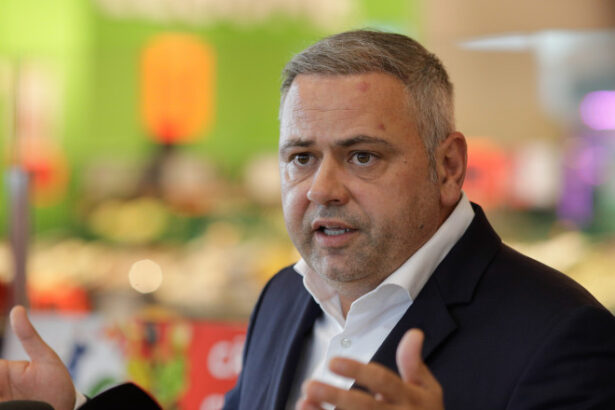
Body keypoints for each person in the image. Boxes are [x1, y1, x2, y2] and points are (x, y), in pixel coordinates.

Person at [2, 29, 615, 410]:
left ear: (449, 165)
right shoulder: (285, 296)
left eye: (362, 156)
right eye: (301, 157)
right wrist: (74, 407)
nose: (322, 188)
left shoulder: (565, 337)